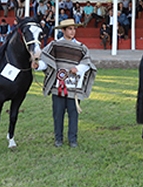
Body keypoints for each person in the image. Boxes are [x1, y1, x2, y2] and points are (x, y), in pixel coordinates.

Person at [33, 19, 96, 147]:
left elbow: (87, 64)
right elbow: (47, 62)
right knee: (58, 114)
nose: (73, 31)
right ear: (63, 30)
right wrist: (37, 65)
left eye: (74, 29)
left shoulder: (81, 48)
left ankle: (73, 140)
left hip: (73, 87)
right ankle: (58, 139)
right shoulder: (54, 45)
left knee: (73, 114)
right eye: (70, 29)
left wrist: (78, 69)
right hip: (58, 87)